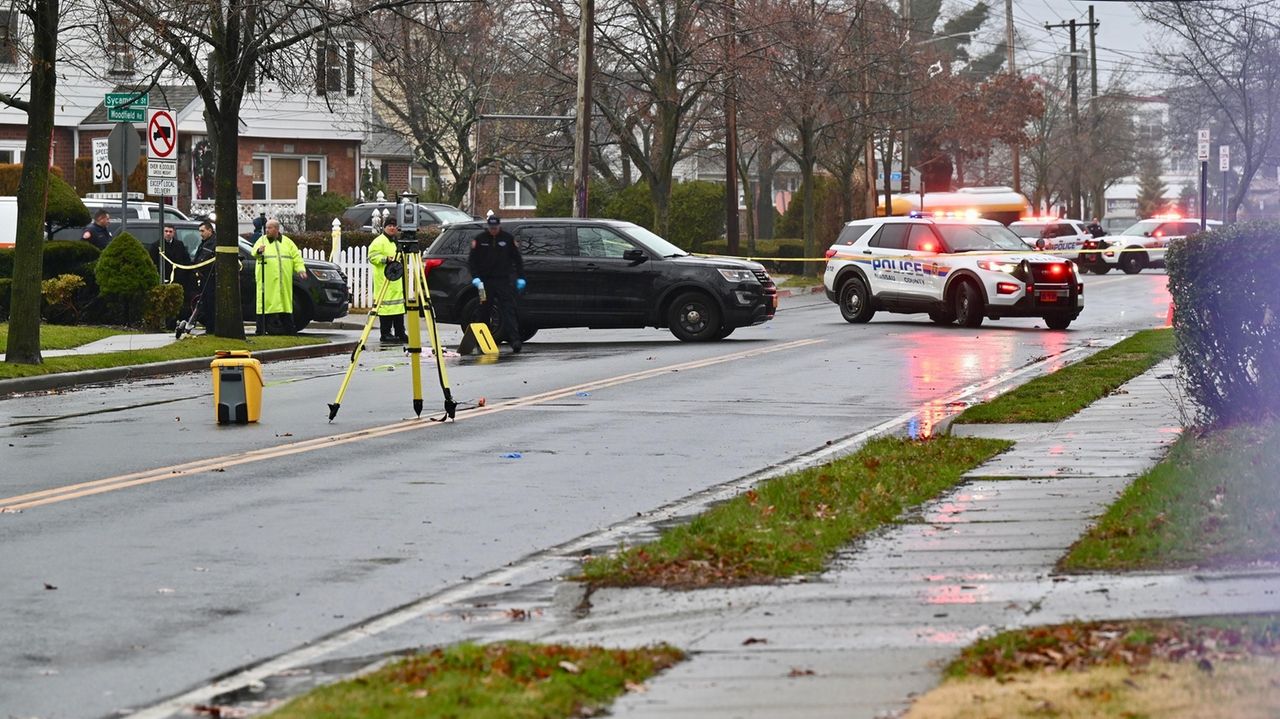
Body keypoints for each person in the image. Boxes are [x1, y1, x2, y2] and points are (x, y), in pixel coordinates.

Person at [467, 214, 526, 352]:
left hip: (503, 280)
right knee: (484, 311)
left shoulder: (507, 238)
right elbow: (472, 261)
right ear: (488, 226)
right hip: (485, 281)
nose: (493, 230)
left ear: (499, 226)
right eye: (491, 227)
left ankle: (515, 340)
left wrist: (520, 277)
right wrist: (475, 277)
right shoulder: (480, 239)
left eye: (495, 227)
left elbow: (517, 259)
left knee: (508, 310)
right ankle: (482, 341)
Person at [251, 219, 306, 335]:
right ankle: (260, 330)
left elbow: (296, 257)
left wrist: (300, 269)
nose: (267, 230)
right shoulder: (262, 241)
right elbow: (254, 253)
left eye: (269, 228)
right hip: (267, 281)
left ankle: (290, 331)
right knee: (265, 304)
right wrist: (259, 251)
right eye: (266, 228)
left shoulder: (287, 243)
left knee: (284, 305)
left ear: (276, 229)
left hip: (283, 281)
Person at [368, 217, 408, 344]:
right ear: (384, 227)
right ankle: (385, 333)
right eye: (389, 225)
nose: (392, 227)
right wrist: (385, 259)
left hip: (396, 282)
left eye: (394, 225)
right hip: (384, 281)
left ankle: (400, 332)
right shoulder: (379, 241)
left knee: (398, 308)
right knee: (385, 309)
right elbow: (372, 257)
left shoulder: (396, 241)